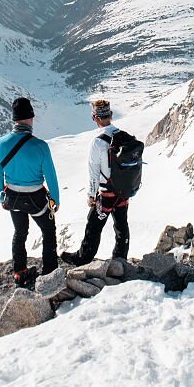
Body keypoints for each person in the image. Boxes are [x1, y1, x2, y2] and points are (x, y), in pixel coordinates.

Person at [0, 97, 60, 287]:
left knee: (20, 232)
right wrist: (54, 199)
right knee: (48, 231)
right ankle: (49, 271)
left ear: (14, 120)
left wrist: (1, 195)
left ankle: (19, 272)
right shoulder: (40, 146)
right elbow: (51, 177)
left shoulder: (0, 144)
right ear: (30, 118)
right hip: (36, 197)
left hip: (12, 198)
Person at [61, 99, 130, 265]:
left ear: (95, 118)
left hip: (106, 193)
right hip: (123, 191)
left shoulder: (98, 142)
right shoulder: (123, 136)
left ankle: (82, 258)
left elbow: (93, 174)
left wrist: (91, 196)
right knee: (121, 226)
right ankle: (120, 258)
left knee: (93, 226)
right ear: (111, 115)